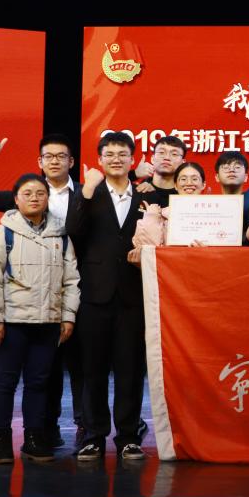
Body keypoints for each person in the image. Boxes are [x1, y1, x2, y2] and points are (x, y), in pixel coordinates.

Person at [0, 134, 86, 449]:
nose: (54, 161)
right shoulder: (9, 224)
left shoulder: (87, 193)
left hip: (66, 298)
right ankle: (33, 433)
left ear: (71, 161)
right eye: (48, 156)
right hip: (18, 312)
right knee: (17, 379)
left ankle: (76, 426)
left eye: (61, 156)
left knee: (69, 370)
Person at [66, 131, 159, 460]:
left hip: (133, 295)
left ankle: (129, 437)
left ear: (133, 160)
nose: (116, 159)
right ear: (100, 160)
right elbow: (73, 231)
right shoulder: (88, 192)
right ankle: (93, 436)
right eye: (110, 154)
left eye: (122, 154)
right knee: (92, 370)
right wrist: (87, 191)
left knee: (130, 371)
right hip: (94, 294)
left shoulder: (147, 195)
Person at [135, 136, 187, 207]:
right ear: (152, 159)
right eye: (161, 152)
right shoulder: (136, 190)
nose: (167, 158)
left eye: (174, 154)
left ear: (182, 162)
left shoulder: (186, 195)